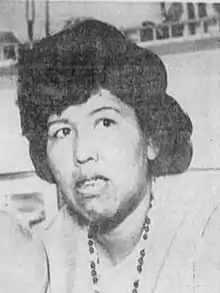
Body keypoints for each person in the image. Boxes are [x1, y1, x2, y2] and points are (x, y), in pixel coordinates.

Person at [16, 19, 218, 293]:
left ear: (151, 139)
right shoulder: (45, 257)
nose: (82, 153)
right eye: (62, 131)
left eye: (105, 122)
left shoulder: (205, 227)